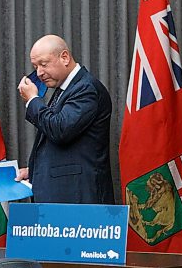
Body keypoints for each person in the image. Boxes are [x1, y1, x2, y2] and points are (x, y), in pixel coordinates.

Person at [16, 34, 115, 204]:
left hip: (79, 201)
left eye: (43, 64)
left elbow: (60, 129)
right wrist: (34, 171)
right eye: (35, 66)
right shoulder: (66, 89)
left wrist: (33, 100)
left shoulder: (86, 88)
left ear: (65, 57)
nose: (39, 73)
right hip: (64, 199)